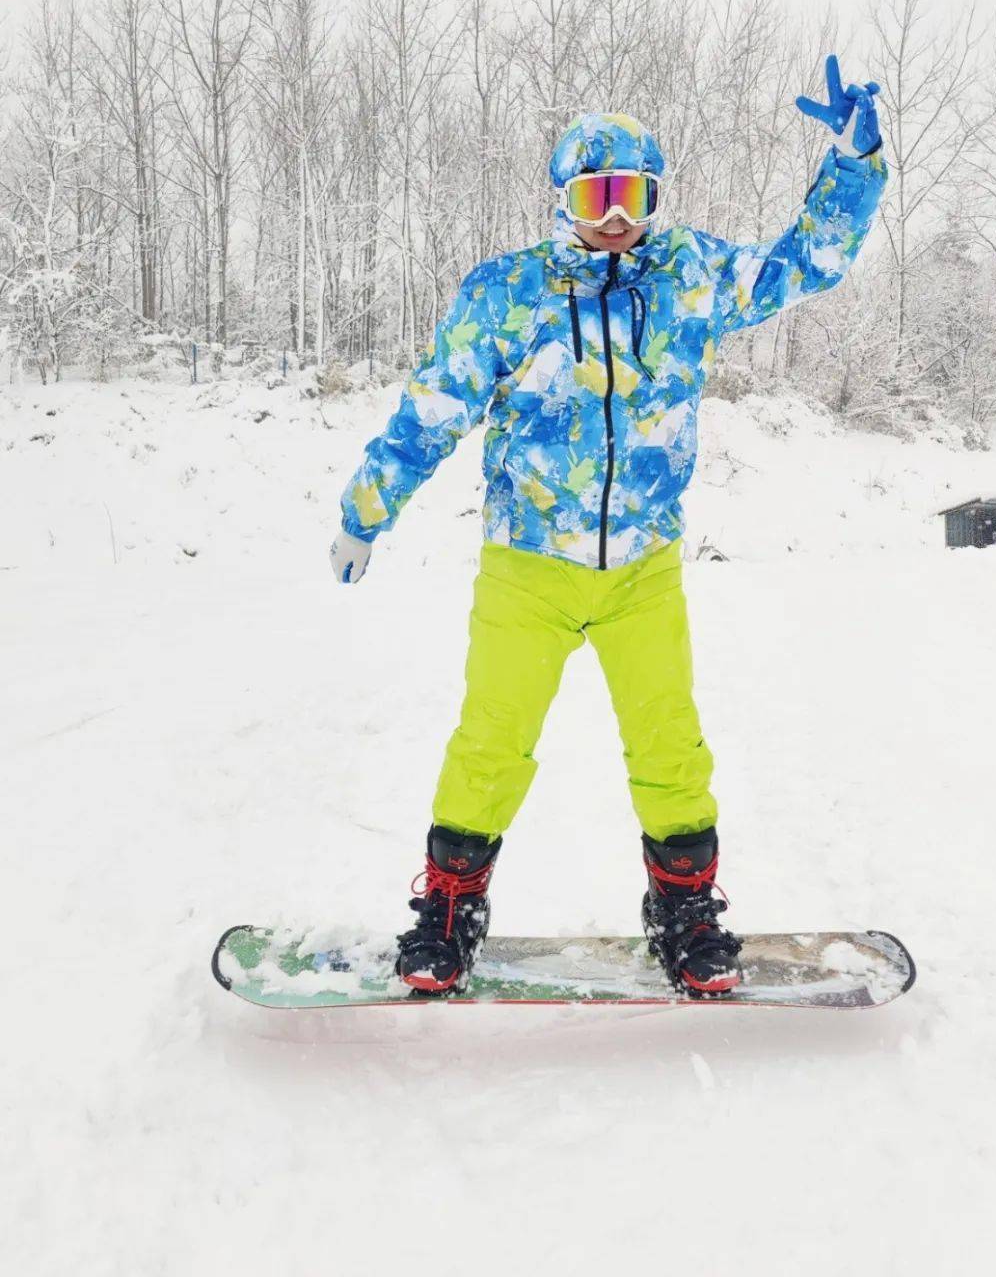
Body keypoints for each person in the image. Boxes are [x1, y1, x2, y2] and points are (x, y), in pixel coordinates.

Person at [329, 55, 887, 998]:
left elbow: (807, 263)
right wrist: (365, 512)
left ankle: (684, 914)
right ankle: (450, 913)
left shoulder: (690, 278)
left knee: (670, 743)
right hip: (527, 570)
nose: (617, 212)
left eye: (634, 191)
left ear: (656, 196)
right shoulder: (509, 292)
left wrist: (856, 162)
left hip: (643, 570)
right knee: (491, 741)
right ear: (565, 198)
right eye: (598, 192)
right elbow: (435, 407)